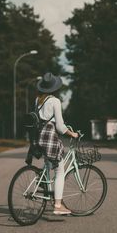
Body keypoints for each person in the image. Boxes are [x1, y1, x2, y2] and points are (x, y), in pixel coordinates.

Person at [36, 72, 78, 215]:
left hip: (38, 137)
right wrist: (72, 133)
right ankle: (58, 206)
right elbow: (60, 127)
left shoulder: (38, 100)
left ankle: (46, 189)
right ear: (55, 88)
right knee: (60, 171)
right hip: (49, 138)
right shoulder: (55, 101)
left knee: (48, 165)